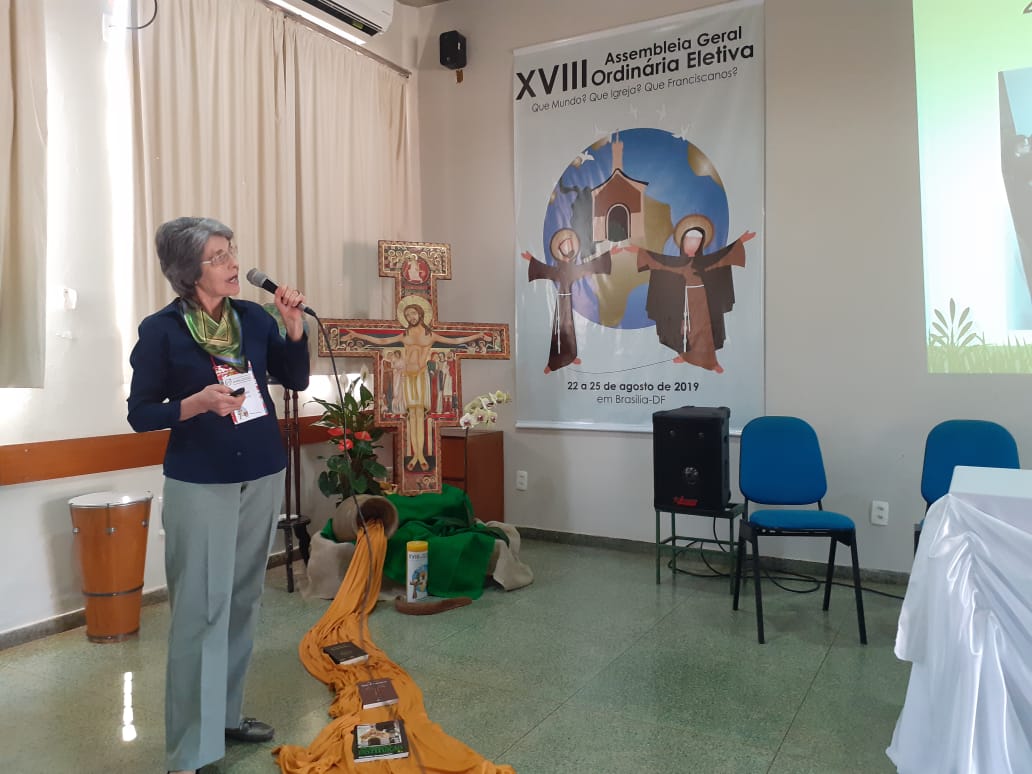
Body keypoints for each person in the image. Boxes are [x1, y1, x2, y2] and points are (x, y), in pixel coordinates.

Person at [126, 217, 311, 774]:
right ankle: (190, 749)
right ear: (189, 271)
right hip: (201, 479)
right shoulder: (162, 331)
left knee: (242, 601)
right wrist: (196, 404)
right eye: (219, 256)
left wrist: (293, 328)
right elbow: (140, 413)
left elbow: (294, 378)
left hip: (262, 468)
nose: (234, 264)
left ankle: (226, 717)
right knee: (200, 611)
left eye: (232, 251)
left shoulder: (252, 317)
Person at [345, 297, 486, 471]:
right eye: (407, 315)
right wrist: (357, 335)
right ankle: (416, 455)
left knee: (420, 416)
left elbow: (456, 341)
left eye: (413, 313)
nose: (411, 317)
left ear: (420, 314)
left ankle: (419, 454)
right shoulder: (404, 335)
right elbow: (381, 341)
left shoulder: (430, 335)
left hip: (421, 376)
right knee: (412, 417)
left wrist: (477, 335)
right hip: (407, 376)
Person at [620, 215, 755, 373]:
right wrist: (639, 251)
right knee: (682, 329)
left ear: (701, 244)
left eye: (696, 242)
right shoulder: (674, 262)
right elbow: (659, 262)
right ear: (683, 242)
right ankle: (684, 355)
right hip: (682, 300)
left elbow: (723, 257)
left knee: (704, 330)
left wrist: (741, 241)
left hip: (702, 301)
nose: (692, 245)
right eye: (689, 241)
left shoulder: (708, 260)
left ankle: (711, 362)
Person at [523, 228, 612, 374]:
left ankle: (571, 357)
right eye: (565, 253)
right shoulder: (558, 271)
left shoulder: (574, 269)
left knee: (570, 330)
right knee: (558, 330)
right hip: (560, 302)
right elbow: (544, 269)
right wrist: (530, 260)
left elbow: (591, 266)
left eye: (570, 253)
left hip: (569, 303)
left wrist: (609, 255)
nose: (567, 257)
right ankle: (553, 363)